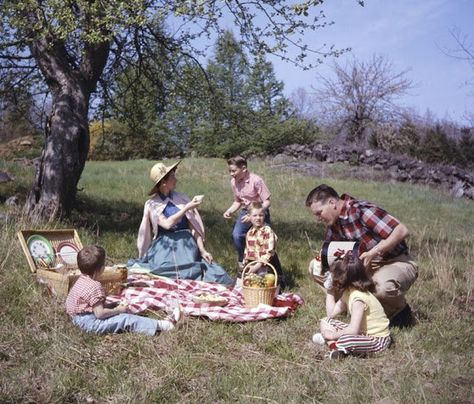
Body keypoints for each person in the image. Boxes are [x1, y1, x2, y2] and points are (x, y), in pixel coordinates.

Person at [305, 184, 418, 327]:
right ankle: (353, 305)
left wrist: (374, 252)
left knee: (381, 288)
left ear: (332, 203)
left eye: (319, 213)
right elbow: (328, 253)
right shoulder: (333, 223)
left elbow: (402, 231)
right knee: (316, 267)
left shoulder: (361, 211)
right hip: (363, 267)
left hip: (394, 261)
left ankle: (400, 313)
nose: (317, 218)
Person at [129, 161, 233, 286]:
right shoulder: (153, 204)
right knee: (165, 271)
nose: (176, 179)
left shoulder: (181, 198)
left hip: (185, 243)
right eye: (172, 176)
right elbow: (167, 224)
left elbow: (193, 227)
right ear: (163, 183)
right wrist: (186, 208)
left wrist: (202, 250)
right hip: (164, 244)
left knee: (210, 274)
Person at [66, 245, 181, 335]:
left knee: (114, 310)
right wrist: (118, 310)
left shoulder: (81, 280)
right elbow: (100, 314)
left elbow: (90, 305)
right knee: (125, 319)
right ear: (100, 269)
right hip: (88, 323)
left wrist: (111, 306)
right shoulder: (94, 286)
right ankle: (163, 325)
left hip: (76, 319)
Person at [312, 253, 391, 359]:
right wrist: (330, 290)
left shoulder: (358, 299)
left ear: (341, 278)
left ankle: (333, 345)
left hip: (377, 339)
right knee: (325, 321)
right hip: (362, 334)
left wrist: (332, 335)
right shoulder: (348, 292)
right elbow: (331, 314)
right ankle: (337, 347)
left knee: (347, 340)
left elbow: (353, 330)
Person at [223, 156, 272, 269]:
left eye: (234, 171)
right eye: (230, 171)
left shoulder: (256, 180)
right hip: (246, 211)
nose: (231, 173)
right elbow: (237, 202)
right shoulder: (233, 182)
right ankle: (244, 261)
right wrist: (229, 211)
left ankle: (273, 270)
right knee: (237, 235)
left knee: (266, 241)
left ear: (243, 169)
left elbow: (267, 202)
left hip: (260, 212)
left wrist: (255, 215)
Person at [240, 202, 286, 288]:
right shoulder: (249, 233)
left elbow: (269, 252)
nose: (258, 218)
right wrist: (245, 266)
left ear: (264, 216)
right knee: (246, 283)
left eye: (260, 215)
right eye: (255, 215)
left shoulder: (267, 231)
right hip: (254, 264)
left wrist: (258, 266)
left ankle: (279, 283)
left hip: (267, 264)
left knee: (268, 284)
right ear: (249, 217)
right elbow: (247, 252)